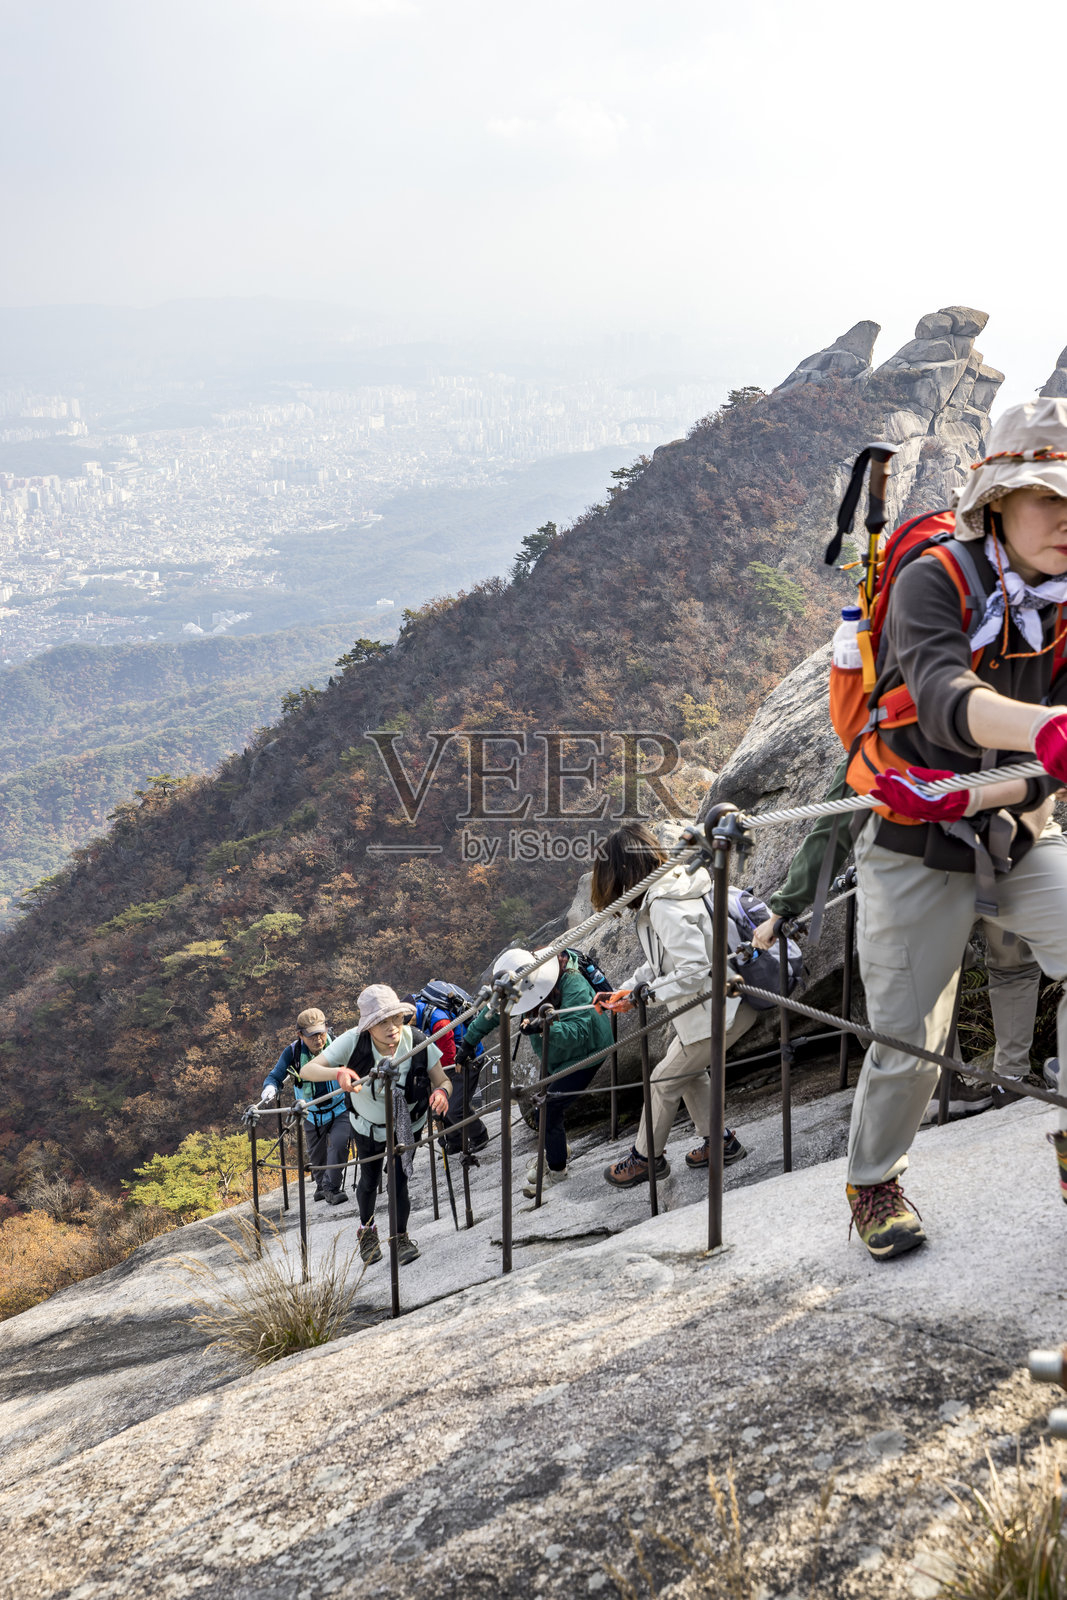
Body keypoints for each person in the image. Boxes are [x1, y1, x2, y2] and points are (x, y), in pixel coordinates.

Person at [840, 397, 1067, 1257]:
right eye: (1048, 496)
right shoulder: (934, 576)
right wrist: (1045, 732)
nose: (1063, 518)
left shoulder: (1059, 596)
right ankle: (872, 1183)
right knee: (908, 1039)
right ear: (998, 499)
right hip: (914, 843)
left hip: (1018, 828)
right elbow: (939, 698)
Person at [752, 755, 1045, 1117]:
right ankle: (1009, 1080)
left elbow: (831, 833)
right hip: (1007, 855)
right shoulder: (990, 715)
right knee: (1013, 968)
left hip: (938, 873)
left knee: (934, 979)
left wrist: (784, 908)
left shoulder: (878, 739)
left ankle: (944, 1085)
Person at [591, 822, 752, 1187]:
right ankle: (721, 1143)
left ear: (620, 875)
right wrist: (629, 990)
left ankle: (646, 1159)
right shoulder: (675, 885)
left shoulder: (663, 905)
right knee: (688, 1070)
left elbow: (694, 969)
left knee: (663, 1079)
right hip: (720, 1004)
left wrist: (646, 995)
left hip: (720, 1009)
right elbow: (665, 961)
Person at [300, 985, 451, 1265]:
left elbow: (443, 1080)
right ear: (369, 1026)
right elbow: (307, 1070)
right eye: (382, 1021)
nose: (392, 1027)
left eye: (396, 1018)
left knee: (399, 1181)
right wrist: (339, 1071)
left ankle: (400, 1237)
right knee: (369, 1180)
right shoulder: (353, 1042)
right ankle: (367, 1230)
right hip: (367, 1125)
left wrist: (441, 1093)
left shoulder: (418, 1040)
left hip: (408, 1123)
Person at [462, 945, 614, 1198]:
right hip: (555, 1056)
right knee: (545, 1107)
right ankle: (557, 1151)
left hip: (589, 1052)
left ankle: (557, 1170)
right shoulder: (524, 979)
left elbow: (580, 1033)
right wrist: (468, 1043)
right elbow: (494, 1012)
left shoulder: (572, 982)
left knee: (547, 1107)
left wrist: (544, 1029)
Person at [260, 1006, 351, 1205]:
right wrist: (269, 1088)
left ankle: (331, 1188)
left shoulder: (336, 1044)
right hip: (311, 1113)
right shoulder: (292, 1053)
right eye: (312, 1036)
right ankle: (321, 1187)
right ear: (300, 1035)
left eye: (321, 1033)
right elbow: (275, 1076)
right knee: (317, 1157)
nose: (318, 1039)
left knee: (340, 1144)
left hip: (339, 1107)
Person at [407, 980, 490, 1155]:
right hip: (451, 1060)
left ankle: (479, 1136)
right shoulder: (412, 1004)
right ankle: (455, 1142)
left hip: (466, 1060)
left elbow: (448, 1056)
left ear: (412, 1017)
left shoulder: (440, 1022)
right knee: (441, 1104)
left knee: (455, 1107)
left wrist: (437, 1078)